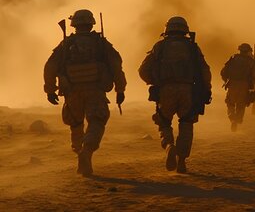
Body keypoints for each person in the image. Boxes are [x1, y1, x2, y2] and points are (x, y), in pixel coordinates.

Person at [43, 9, 127, 177]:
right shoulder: (101, 44)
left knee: (75, 124)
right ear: (91, 23)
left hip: (72, 92)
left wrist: (50, 90)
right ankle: (87, 150)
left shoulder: (66, 44)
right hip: (95, 91)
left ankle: (80, 152)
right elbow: (116, 66)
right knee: (97, 121)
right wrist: (120, 89)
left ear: (74, 25)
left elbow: (50, 66)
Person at [139, 16, 212, 174]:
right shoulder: (192, 48)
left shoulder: (160, 47)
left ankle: (169, 146)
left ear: (167, 30)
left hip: (165, 90)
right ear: (185, 30)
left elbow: (143, 70)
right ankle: (182, 160)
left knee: (164, 122)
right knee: (186, 123)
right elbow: (204, 70)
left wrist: (156, 82)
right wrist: (207, 89)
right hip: (188, 90)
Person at [221, 43, 255, 131]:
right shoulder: (251, 61)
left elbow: (223, 71)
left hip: (232, 84)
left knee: (230, 103)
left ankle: (232, 117)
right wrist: (252, 82)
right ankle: (237, 119)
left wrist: (226, 80)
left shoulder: (233, 58)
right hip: (245, 85)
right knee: (241, 104)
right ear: (249, 51)